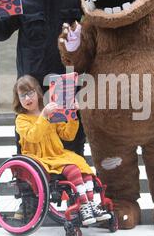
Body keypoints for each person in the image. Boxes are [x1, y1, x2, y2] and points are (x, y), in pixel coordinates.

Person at [0, 0, 85, 155]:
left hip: (64, 77)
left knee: (69, 135)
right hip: (31, 80)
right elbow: (2, 33)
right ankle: (26, 182)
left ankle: (71, 182)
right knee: (29, 134)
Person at [13, 75, 110, 225]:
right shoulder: (22, 119)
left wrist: (73, 116)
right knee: (72, 169)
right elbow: (33, 136)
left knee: (83, 166)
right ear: (18, 99)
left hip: (56, 154)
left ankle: (90, 204)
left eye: (30, 93)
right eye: (22, 95)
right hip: (39, 158)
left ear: (38, 92)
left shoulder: (52, 112)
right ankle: (84, 205)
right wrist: (44, 116)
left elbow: (68, 135)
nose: (27, 98)